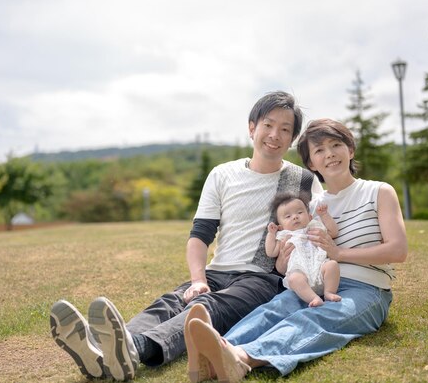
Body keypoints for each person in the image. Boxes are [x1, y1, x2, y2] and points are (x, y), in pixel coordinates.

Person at [49, 91, 324, 381]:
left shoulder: (304, 181)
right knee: (171, 301)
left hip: (263, 278)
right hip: (217, 270)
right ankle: (103, 350)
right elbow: (201, 234)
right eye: (268, 125)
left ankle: (133, 349)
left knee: (206, 308)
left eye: (285, 129)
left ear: (292, 138)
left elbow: (318, 233)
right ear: (252, 127)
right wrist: (198, 279)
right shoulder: (222, 174)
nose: (274, 135)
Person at [185, 118, 408, 382]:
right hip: (313, 282)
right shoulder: (311, 206)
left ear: (351, 149)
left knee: (315, 320)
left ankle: (241, 358)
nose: (330, 154)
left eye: (336, 145)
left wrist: (340, 255)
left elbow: (398, 250)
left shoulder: (378, 191)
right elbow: (290, 253)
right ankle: (214, 352)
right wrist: (283, 261)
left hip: (365, 288)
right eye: (319, 150)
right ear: (312, 164)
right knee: (275, 308)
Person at [264, 192, 340, 307]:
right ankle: (314, 298)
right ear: (280, 226)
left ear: (309, 217)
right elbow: (271, 252)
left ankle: (329, 292)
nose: (295, 217)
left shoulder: (314, 226)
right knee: (294, 279)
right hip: (300, 271)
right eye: (288, 216)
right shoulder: (284, 235)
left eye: (299, 212)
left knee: (332, 265)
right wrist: (271, 234)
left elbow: (333, 232)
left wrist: (324, 215)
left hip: (320, 266)